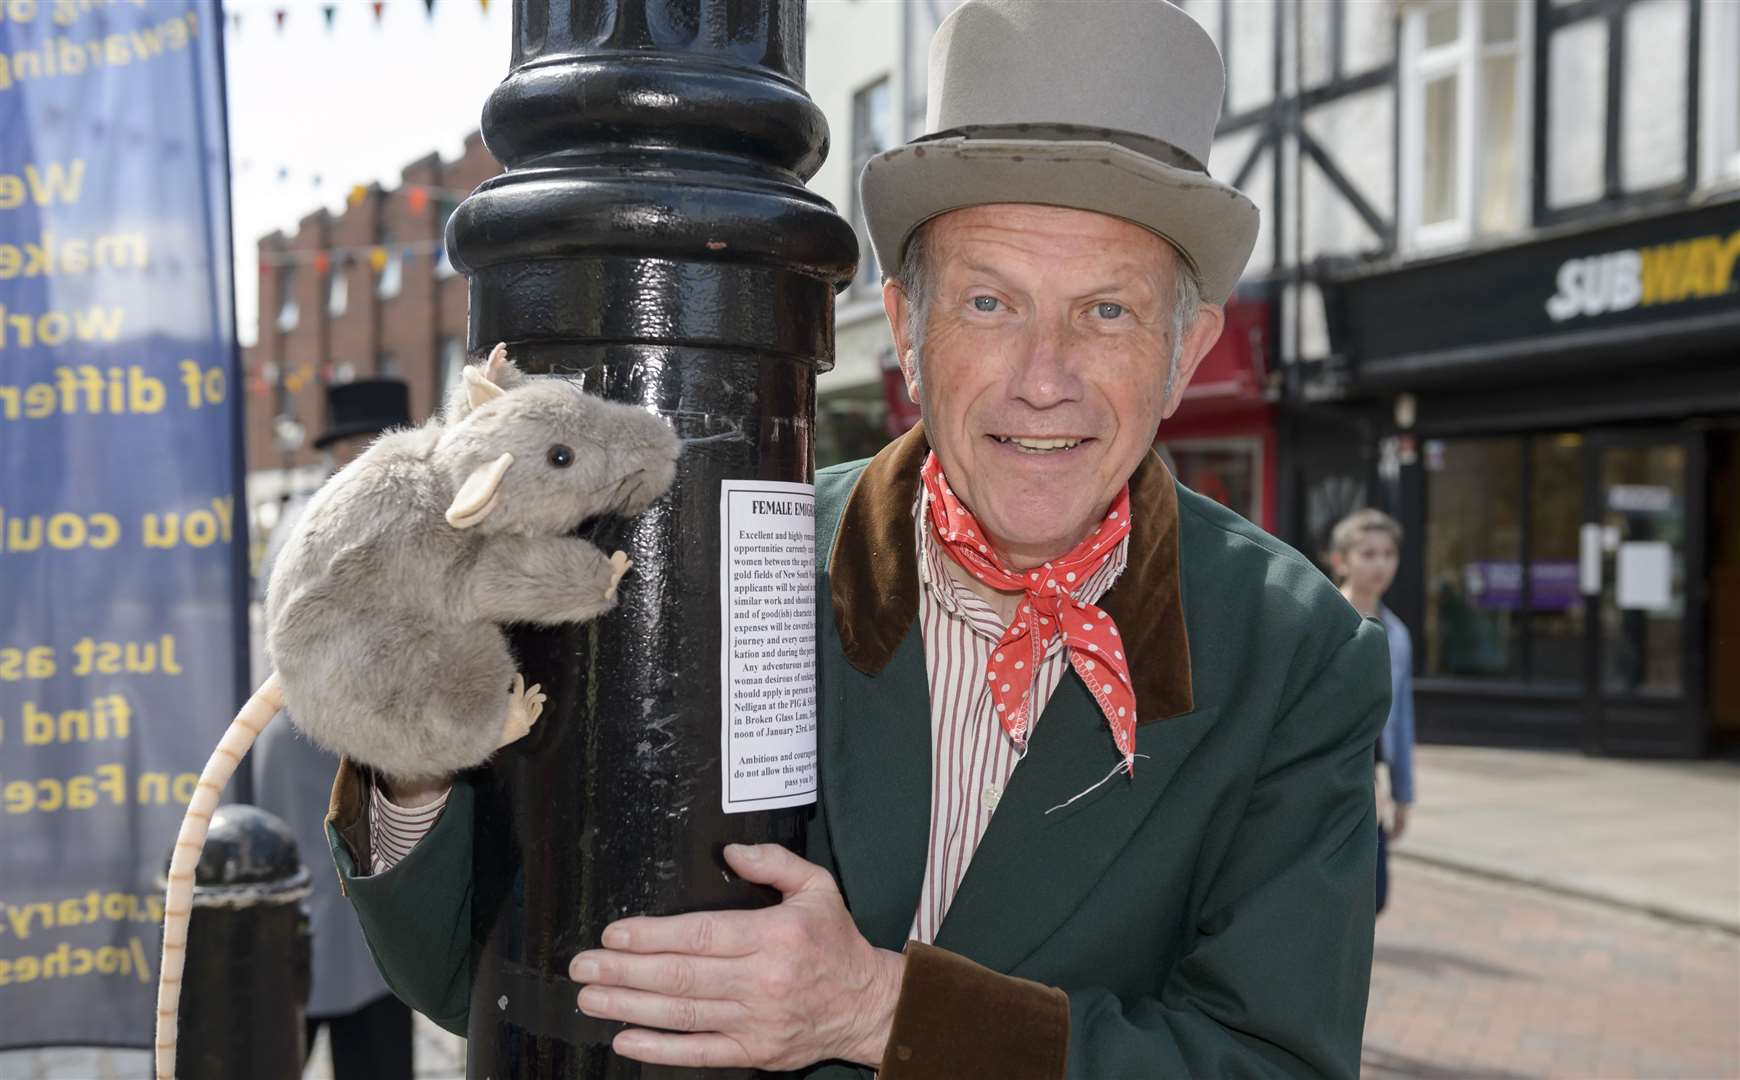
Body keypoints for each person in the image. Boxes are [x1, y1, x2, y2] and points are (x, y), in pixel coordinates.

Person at [320, 3, 1392, 1077]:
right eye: (988, 302)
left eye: (1108, 312)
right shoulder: (721, 553)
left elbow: (1276, 1063)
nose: (1044, 376)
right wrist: (413, 753)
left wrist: (881, 1010)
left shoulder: (1296, 654)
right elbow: (483, 975)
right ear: (908, 333)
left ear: (1186, 349)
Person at [253, 378, 418, 1080]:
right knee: (352, 934)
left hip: (313, 746)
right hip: (333, 750)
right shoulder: (349, 518)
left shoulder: (312, 509)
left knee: (326, 939)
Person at [1329, 509, 1416, 917]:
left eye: (1388, 554)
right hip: (1328, 771)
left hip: (1373, 778)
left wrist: (1403, 794)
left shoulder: (1397, 635)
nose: (1380, 564)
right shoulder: (1323, 619)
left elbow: (1402, 721)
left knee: (1373, 893)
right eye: (1368, 554)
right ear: (1341, 560)